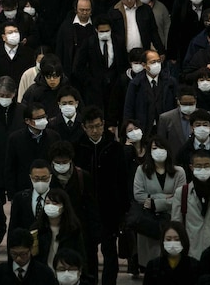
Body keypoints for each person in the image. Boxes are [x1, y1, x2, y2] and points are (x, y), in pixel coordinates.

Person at [74, 106, 128, 285]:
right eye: (91, 127)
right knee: (88, 252)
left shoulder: (115, 147)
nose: (95, 130)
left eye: (98, 126)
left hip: (110, 210)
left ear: (103, 124)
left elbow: (122, 180)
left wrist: (123, 211)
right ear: (84, 127)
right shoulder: (78, 147)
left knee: (110, 253)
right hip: (86, 211)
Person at [132, 136, 186, 267]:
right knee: (151, 264)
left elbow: (180, 197)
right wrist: (165, 197)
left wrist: (155, 202)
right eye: (154, 148)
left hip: (171, 219)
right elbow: (138, 195)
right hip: (149, 221)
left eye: (161, 148)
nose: (158, 151)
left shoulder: (179, 172)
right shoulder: (142, 170)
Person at [171, 149, 210, 258]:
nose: (202, 169)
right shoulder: (181, 193)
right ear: (191, 167)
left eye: (206, 166)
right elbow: (176, 224)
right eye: (198, 166)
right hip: (191, 253)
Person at [4, 103, 61, 197]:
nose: (43, 120)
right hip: (24, 188)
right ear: (27, 121)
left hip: (49, 188)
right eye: (38, 118)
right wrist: (12, 194)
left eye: (44, 116)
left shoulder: (54, 137)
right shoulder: (15, 139)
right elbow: (10, 168)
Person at [143, 221, 202, 285]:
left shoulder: (195, 266)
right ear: (163, 241)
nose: (172, 243)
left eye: (177, 239)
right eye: (168, 239)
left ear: (183, 241)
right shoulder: (153, 266)